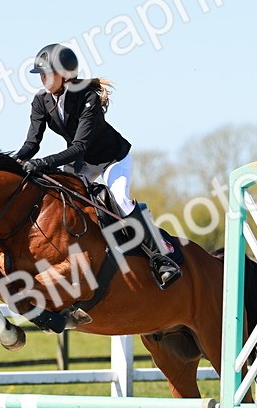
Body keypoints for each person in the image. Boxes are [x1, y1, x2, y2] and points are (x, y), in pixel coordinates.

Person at [14, 43, 182, 289]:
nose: (43, 79)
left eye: (47, 74)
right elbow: (32, 143)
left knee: (120, 201)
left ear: (66, 74)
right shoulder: (41, 101)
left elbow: (79, 146)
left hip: (113, 158)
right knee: (63, 201)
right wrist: (16, 161)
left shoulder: (87, 97)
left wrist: (43, 164)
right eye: (41, 75)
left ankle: (161, 255)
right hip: (84, 163)